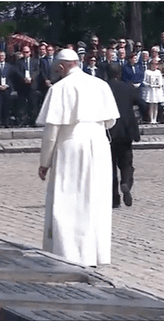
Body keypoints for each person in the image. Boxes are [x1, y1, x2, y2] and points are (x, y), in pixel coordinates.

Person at [35, 49, 120, 267]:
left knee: (69, 199)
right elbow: (111, 121)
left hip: (70, 143)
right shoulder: (100, 84)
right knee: (96, 198)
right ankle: (96, 253)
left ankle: (69, 252)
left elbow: (51, 131)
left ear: (62, 67)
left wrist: (45, 162)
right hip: (99, 142)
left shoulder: (60, 88)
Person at [106, 63, 141, 208]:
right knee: (126, 163)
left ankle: (114, 199)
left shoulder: (103, 88)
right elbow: (142, 103)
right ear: (119, 73)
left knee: (110, 167)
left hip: (108, 132)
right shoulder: (128, 88)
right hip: (126, 131)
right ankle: (126, 182)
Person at [0, 51, 14, 127]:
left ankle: (6, 122)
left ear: (5, 57)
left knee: (6, 106)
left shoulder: (9, 66)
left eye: (2, 56)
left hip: (7, 89)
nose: (1, 57)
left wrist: (7, 85)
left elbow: (11, 78)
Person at [143, 59, 163, 124]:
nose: (154, 66)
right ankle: (151, 119)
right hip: (150, 90)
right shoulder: (147, 72)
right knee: (151, 105)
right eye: (153, 64)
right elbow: (144, 81)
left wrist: (160, 84)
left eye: (156, 64)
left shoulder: (158, 72)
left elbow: (161, 81)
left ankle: (155, 119)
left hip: (157, 90)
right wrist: (149, 85)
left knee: (156, 105)